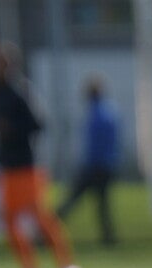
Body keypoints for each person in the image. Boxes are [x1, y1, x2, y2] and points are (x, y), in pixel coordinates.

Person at [0, 40, 80, 268]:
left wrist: (11, 128)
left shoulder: (20, 91)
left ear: (8, 65)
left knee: (41, 218)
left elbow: (37, 124)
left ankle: (66, 267)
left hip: (27, 167)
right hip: (7, 167)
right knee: (9, 221)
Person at [57, 76, 120, 246]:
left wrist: (87, 164)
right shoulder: (110, 111)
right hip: (107, 165)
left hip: (94, 166)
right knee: (102, 204)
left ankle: (48, 230)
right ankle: (108, 238)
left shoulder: (96, 114)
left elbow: (93, 145)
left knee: (72, 200)